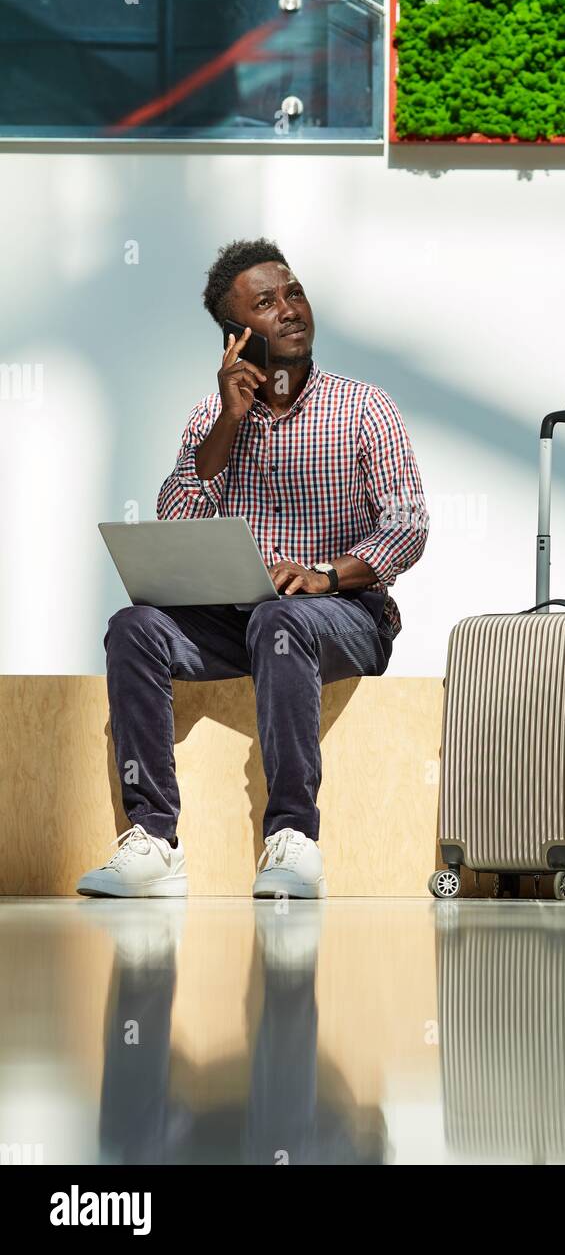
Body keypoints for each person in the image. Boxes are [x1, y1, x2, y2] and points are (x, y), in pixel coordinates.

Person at [77, 238, 428, 901]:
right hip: (234, 619)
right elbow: (175, 517)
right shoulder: (212, 417)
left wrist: (326, 574)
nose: (290, 309)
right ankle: (154, 843)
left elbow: (408, 526)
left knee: (281, 617)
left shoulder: (364, 407)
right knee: (133, 626)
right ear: (236, 337)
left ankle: (293, 841)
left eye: (293, 292)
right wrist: (230, 424)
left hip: (346, 615)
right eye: (266, 303)